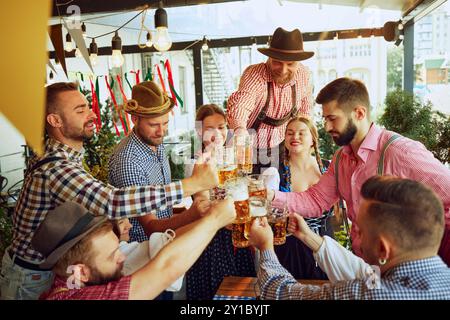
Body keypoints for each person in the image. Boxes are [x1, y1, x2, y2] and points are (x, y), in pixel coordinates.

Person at [0, 82, 218, 300]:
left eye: (87, 106)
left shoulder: (66, 158)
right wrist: (193, 185)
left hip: (54, 269)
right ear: (55, 121)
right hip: (31, 277)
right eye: (80, 110)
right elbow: (112, 202)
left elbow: (89, 201)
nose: (92, 114)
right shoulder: (55, 169)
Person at [268, 77, 450, 265]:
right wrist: (268, 196)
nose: (327, 127)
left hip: (403, 272)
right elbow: (315, 200)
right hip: (364, 267)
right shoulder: (340, 159)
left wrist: (439, 259)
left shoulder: (400, 152)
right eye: (325, 119)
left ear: (359, 113)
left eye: (333, 119)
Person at [250, 176, 450, 299]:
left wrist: (266, 248)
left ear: (383, 249)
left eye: (360, 231)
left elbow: (279, 293)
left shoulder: (366, 294)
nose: (356, 236)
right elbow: (364, 272)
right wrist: (309, 237)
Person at [31, 199, 236, 300]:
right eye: (113, 255)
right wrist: (215, 220)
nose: (122, 256)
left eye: (117, 248)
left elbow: (165, 250)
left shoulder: (71, 281)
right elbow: (164, 269)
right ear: (81, 271)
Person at [109, 81, 210, 244]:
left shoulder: (155, 140)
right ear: (134, 119)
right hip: (142, 251)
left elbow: (164, 201)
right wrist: (191, 214)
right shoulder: (128, 161)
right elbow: (150, 227)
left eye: (165, 123)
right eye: (154, 125)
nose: (161, 131)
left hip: (166, 240)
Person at [184, 104, 256, 300]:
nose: (217, 133)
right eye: (209, 129)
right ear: (200, 133)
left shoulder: (236, 158)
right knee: (214, 294)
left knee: (244, 295)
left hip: (239, 234)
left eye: (222, 126)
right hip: (211, 239)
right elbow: (202, 203)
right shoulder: (195, 163)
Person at [227, 27, 314, 174]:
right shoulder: (255, 74)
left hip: (279, 148)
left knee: (274, 192)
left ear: (299, 62)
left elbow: (305, 112)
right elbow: (241, 104)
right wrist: (240, 131)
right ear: (269, 58)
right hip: (245, 148)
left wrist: (303, 142)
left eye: (290, 64)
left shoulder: (303, 75)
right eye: (277, 62)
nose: (283, 69)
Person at [274, 116, 334, 279]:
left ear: (313, 140)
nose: (295, 137)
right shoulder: (276, 173)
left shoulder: (329, 168)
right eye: (290, 133)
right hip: (288, 247)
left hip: (323, 244)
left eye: (302, 133)